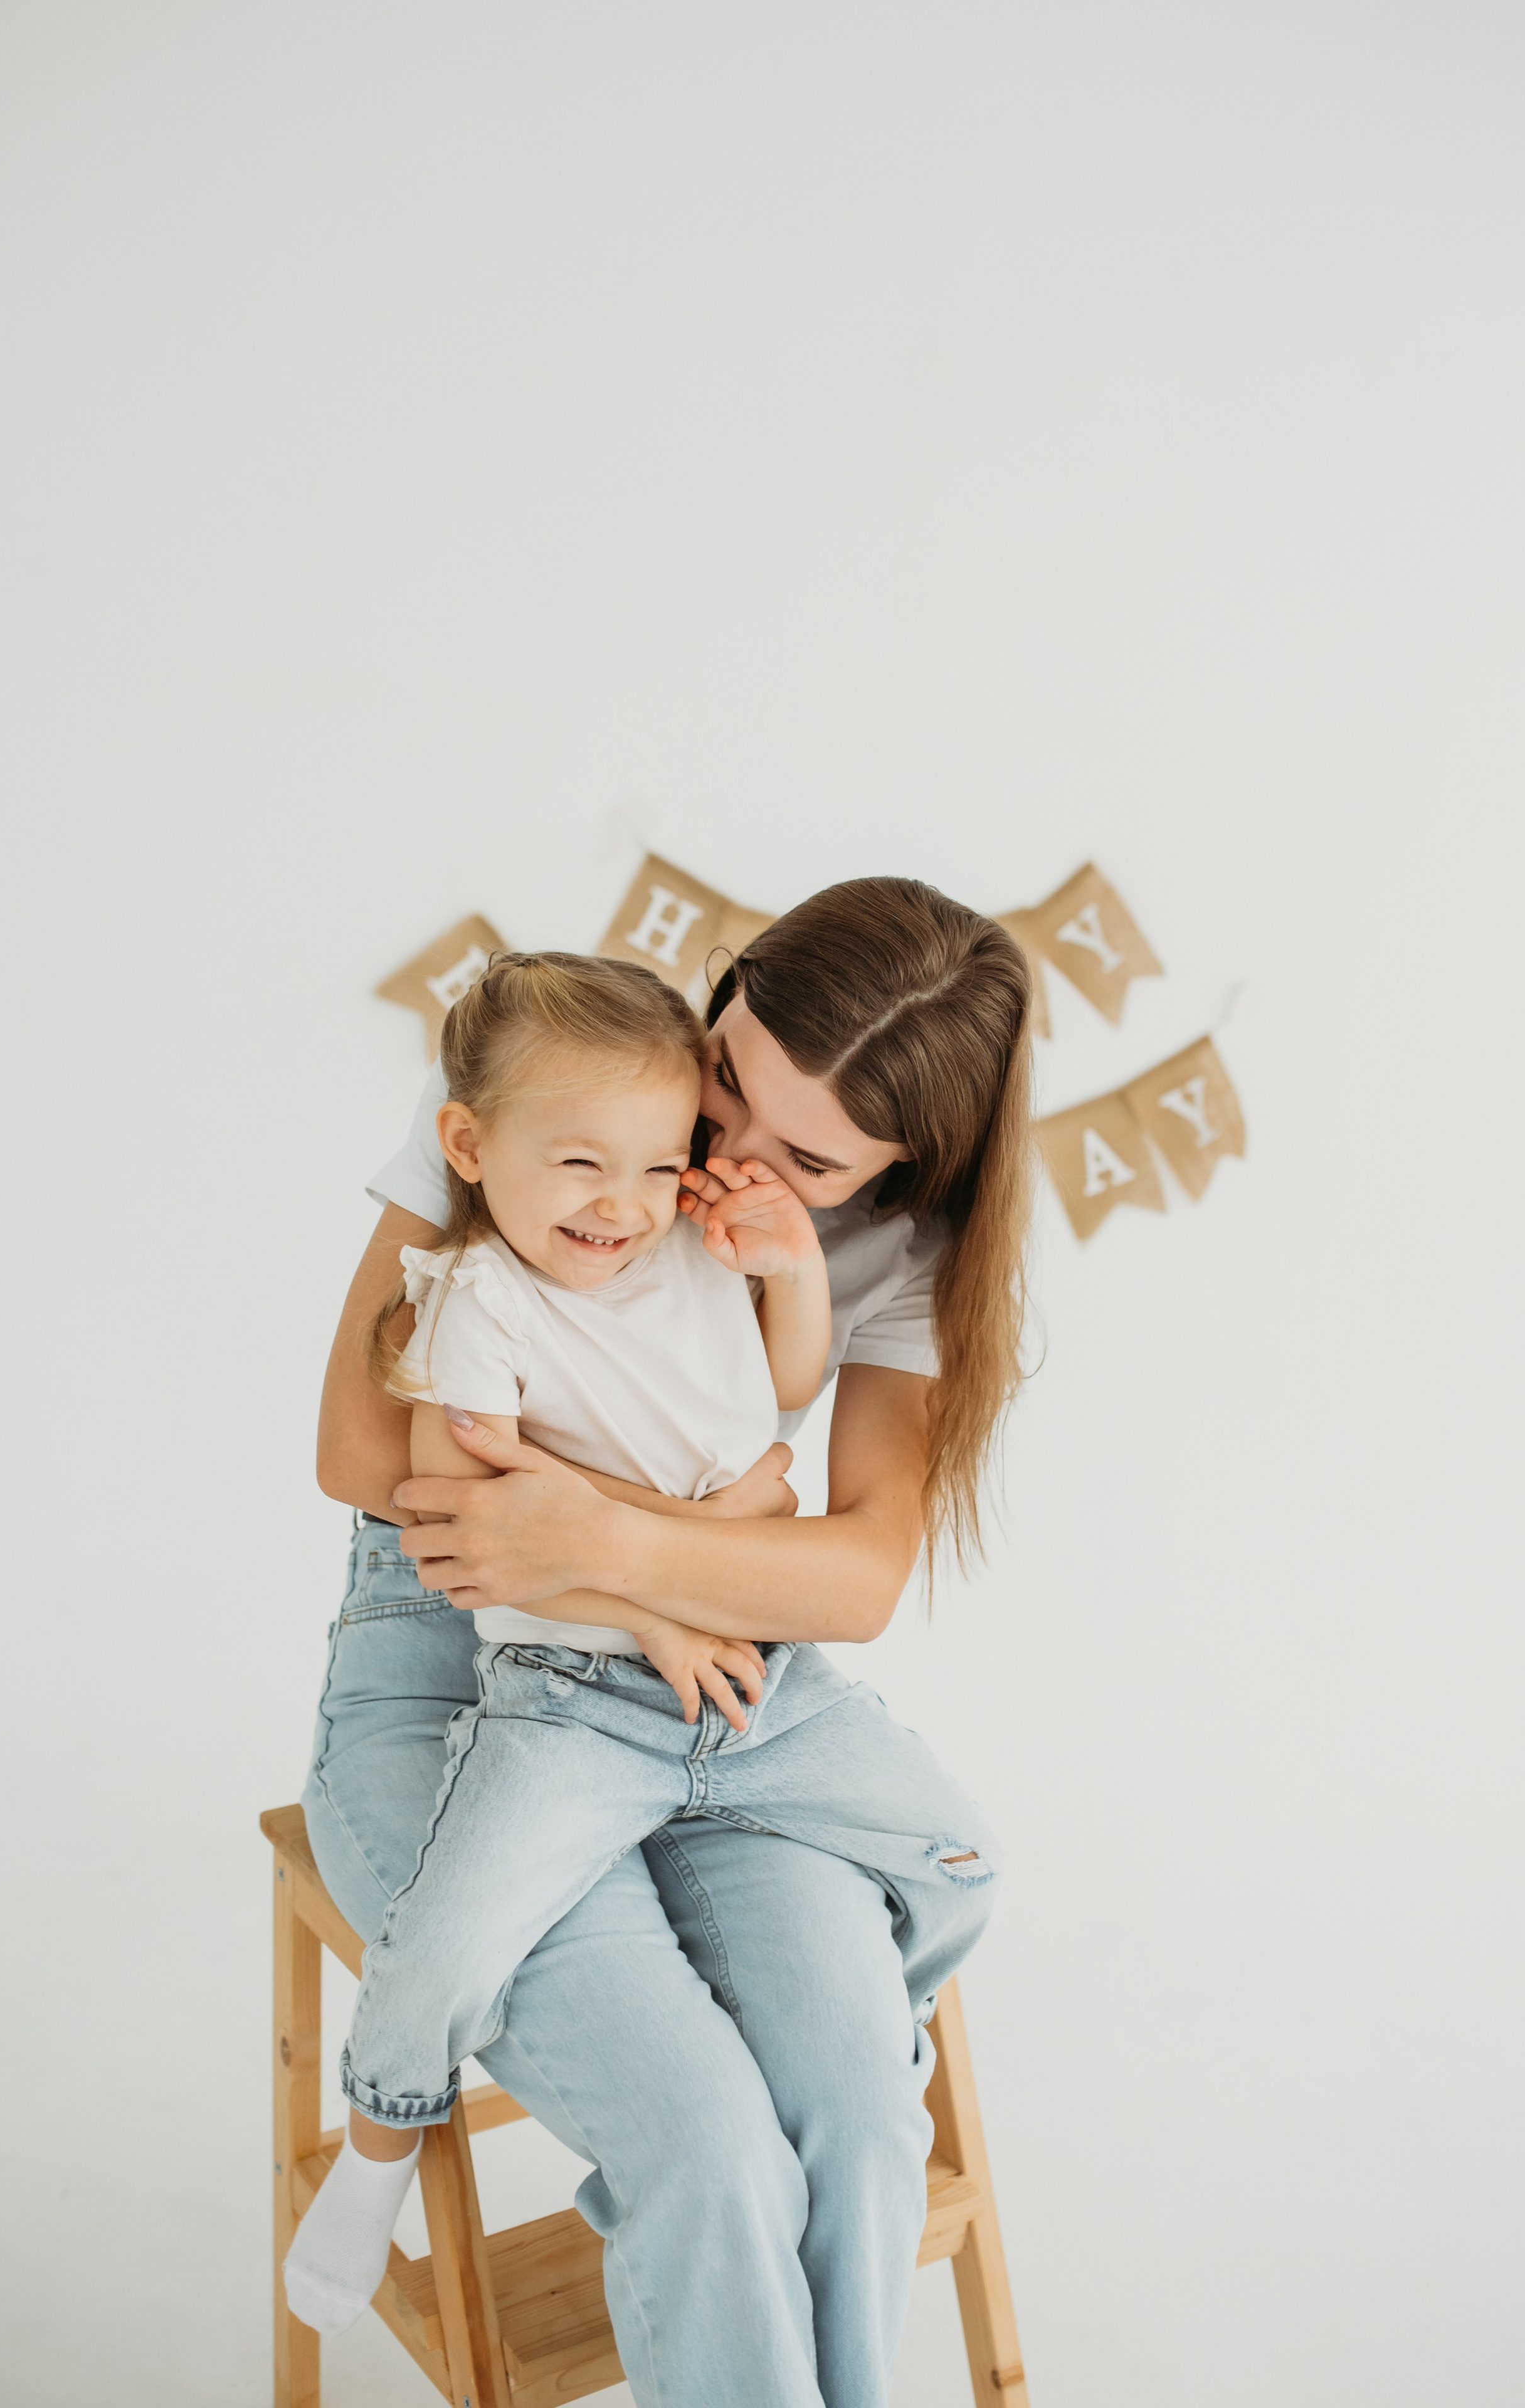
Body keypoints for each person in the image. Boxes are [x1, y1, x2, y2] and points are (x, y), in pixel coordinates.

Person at [304, 877, 1036, 2408]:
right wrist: (687, 1543)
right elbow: (368, 1452)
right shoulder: (579, 1083)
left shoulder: (894, 1251)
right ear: (717, 1003)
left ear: (907, 1175)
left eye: (811, 1159)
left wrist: (610, 1544)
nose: (721, 1165)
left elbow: (852, 1581)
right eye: (727, 1087)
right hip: (460, 1656)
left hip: (727, 1683)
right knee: (709, 2146)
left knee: (849, 2099)